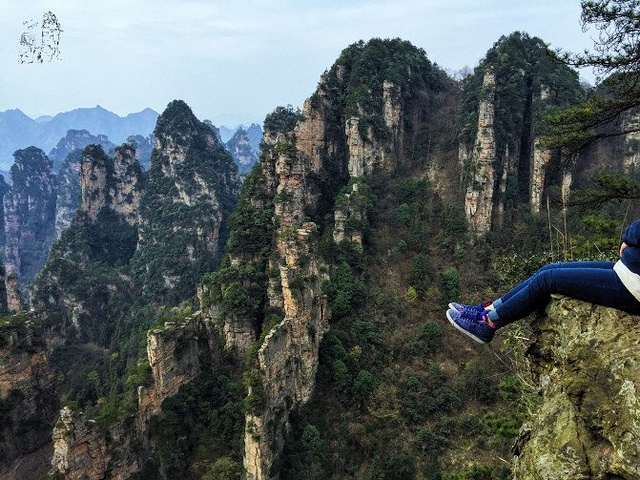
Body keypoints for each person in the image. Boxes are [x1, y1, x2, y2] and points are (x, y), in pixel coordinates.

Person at [446, 218, 640, 344]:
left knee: (548, 279)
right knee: (548, 269)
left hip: (633, 284)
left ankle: (488, 324)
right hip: (627, 269)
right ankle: (487, 310)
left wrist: (629, 237)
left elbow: (636, 232)